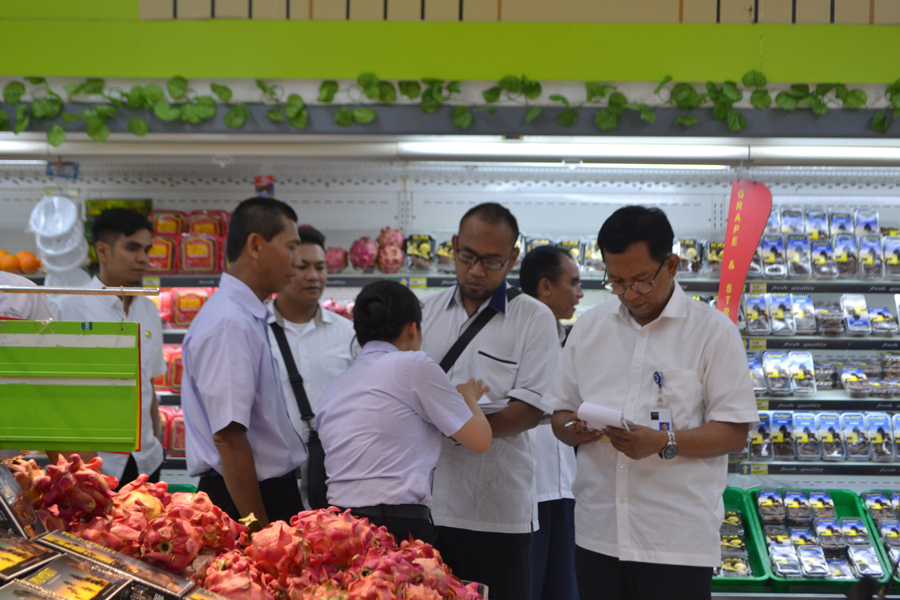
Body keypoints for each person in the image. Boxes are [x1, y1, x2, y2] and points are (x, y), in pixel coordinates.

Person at [545, 206, 759, 600]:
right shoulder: (590, 328)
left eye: (641, 281)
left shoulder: (713, 332)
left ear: (671, 265)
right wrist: (574, 431)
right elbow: (560, 414)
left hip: (676, 539)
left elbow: (734, 433)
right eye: (617, 282)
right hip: (598, 534)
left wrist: (664, 443)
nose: (629, 294)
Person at [419, 202, 560, 600]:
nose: (476, 270)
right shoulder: (424, 313)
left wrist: (459, 431)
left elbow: (528, 410)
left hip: (497, 511)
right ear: (453, 246)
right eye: (467, 256)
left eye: (492, 261)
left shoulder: (534, 319)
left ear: (513, 258)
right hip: (426, 505)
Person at [316, 280, 492, 544]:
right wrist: (467, 397)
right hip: (394, 527)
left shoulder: (334, 387)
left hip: (337, 528)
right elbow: (481, 440)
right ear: (412, 328)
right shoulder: (414, 365)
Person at [182, 197, 306, 527]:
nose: (297, 260)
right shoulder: (229, 322)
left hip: (253, 491)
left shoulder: (244, 316)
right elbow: (230, 438)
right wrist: (256, 528)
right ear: (255, 245)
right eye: (291, 247)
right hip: (245, 499)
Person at [54, 209, 164, 486]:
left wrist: (156, 442)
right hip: (95, 464)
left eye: (147, 249)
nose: (143, 258)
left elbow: (147, 383)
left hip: (146, 461)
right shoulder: (68, 309)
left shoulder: (149, 310)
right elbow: (56, 395)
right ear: (102, 250)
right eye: (132, 248)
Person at [266, 226, 356, 508]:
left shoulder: (348, 334)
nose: (313, 276)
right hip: (273, 476)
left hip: (335, 475)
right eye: (302, 266)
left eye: (320, 267)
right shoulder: (255, 330)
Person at [519, 245, 583, 600]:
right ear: (545, 287)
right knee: (527, 586)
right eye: (572, 283)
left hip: (568, 487)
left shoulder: (571, 341)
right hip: (526, 485)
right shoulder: (513, 336)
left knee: (564, 588)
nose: (580, 292)